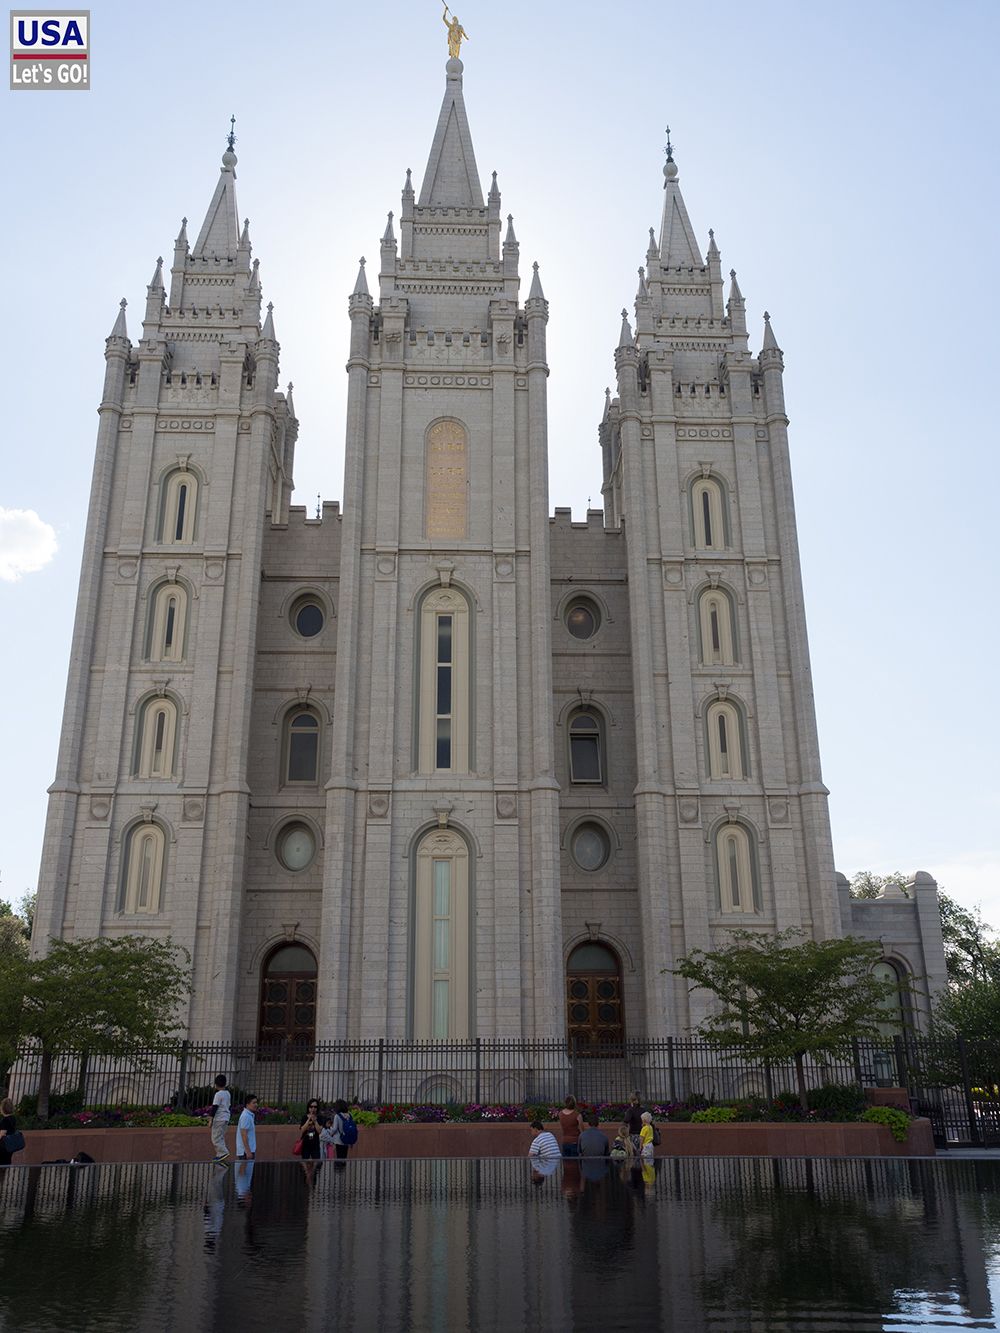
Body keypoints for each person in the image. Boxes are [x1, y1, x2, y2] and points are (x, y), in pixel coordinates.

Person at [210, 1075, 231, 1164]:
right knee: (220, 1136)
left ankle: (223, 1152)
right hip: (226, 1117)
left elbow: (215, 1107)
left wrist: (210, 1119)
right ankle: (219, 1154)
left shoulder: (218, 1094)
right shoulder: (227, 1093)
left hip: (219, 1118)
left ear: (216, 1084)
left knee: (215, 1137)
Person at [236, 1094, 258, 1160]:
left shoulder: (249, 1115)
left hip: (247, 1151)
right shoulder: (246, 1116)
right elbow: (244, 1134)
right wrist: (248, 1151)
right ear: (247, 1104)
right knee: (246, 1170)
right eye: (253, 1103)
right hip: (245, 1152)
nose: (256, 1105)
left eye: (256, 1102)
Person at [0, 1097, 20, 1166]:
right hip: (9, 1147)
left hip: (3, 1148)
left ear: (3, 1108)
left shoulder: (4, 1121)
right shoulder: (13, 1119)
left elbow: (2, 1134)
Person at [623, 1090, 643, 1156]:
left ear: (631, 1100)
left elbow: (625, 1121)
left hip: (633, 1136)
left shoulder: (630, 1110)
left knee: (633, 1156)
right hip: (643, 1136)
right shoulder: (643, 1110)